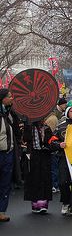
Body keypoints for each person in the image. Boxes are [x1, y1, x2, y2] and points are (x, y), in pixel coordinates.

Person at [50, 100, 72, 216]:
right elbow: (52, 141)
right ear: (67, 112)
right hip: (64, 158)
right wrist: (59, 145)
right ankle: (65, 202)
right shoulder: (61, 126)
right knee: (63, 182)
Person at [23, 120, 54, 214]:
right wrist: (27, 125)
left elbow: (50, 141)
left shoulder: (46, 128)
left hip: (44, 155)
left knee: (45, 179)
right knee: (34, 178)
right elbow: (26, 138)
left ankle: (43, 204)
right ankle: (35, 203)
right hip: (33, 155)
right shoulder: (29, 127)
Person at [0, 89, 21, 222]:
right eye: (9, 97)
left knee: (5, 184)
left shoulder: (10, 113)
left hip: (8, 153)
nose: (12, 98)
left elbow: (16, 130)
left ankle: (1, 211)